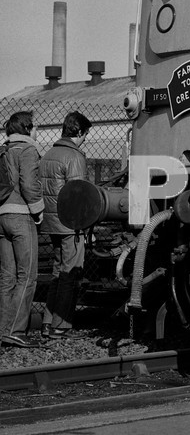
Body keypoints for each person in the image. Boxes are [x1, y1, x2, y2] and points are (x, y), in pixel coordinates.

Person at [39, 111, 91, 340]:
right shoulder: (75, 157)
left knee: (57, 272)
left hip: (51, 222)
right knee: (70, 274)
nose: (85, 139)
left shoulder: (48, 154)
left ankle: (48, 323)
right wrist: (86, 225)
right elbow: (78, 195)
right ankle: (62, 326)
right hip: (70, 224)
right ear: (78, 132)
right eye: (85, 135)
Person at [0, 111, 44, 348]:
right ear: (27, 128)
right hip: (20, 215)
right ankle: (16, 330)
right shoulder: (27, 150)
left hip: (1, 216)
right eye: (35, 126)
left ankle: (2, 328)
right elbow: (29, 184)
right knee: (27, 275)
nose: (37, 131)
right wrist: (38, 210)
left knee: (7, 277)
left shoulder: (3, 150)